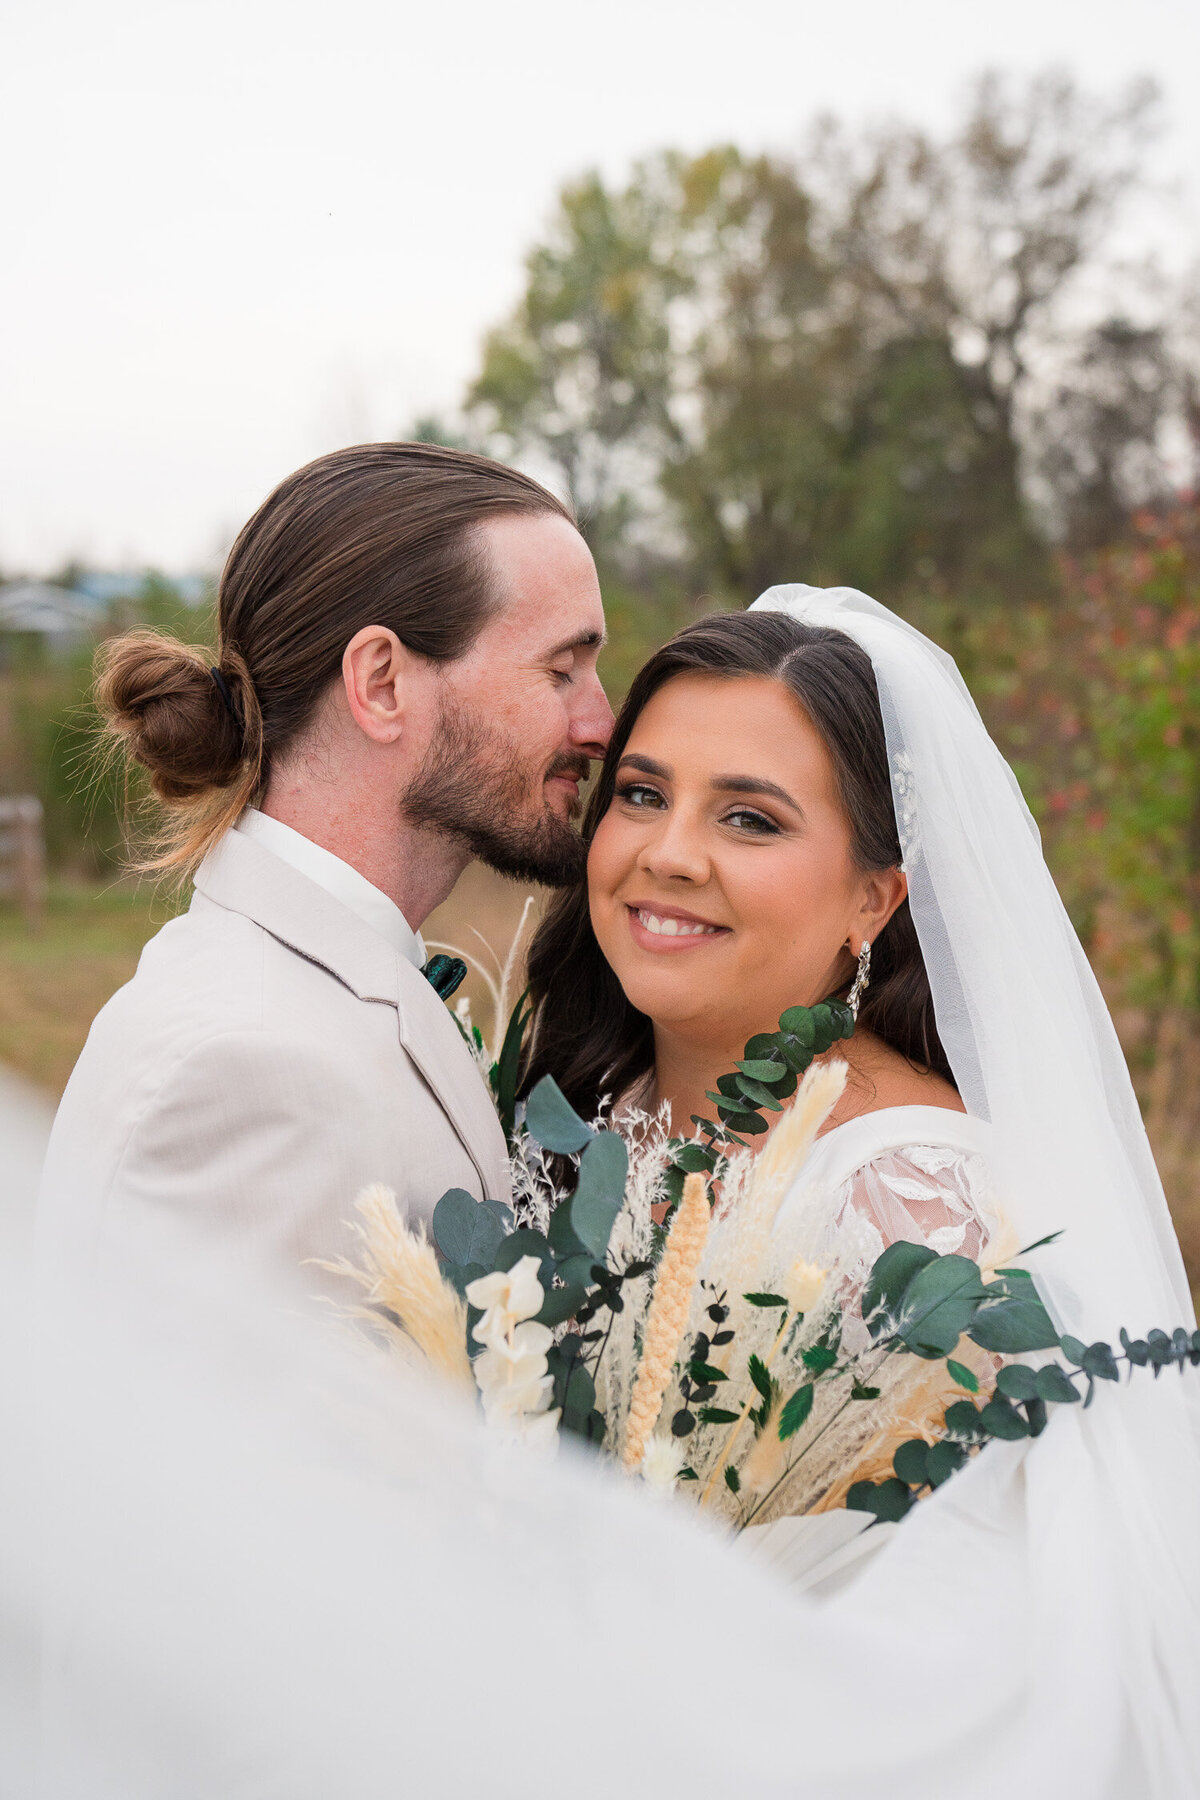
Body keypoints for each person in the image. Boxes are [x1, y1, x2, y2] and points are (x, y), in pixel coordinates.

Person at [523, 586, 1200, 1787]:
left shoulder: (907, 1201)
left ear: (872, 899)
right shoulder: (595, 1098)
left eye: (751, 819)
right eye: (642, 794)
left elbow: (990, 1639)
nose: (666, 855)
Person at [37, 442, 613, 1302]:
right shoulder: (239, 1072)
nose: (600, 722)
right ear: (381, 683)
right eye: (561, 669)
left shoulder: (326, 986)